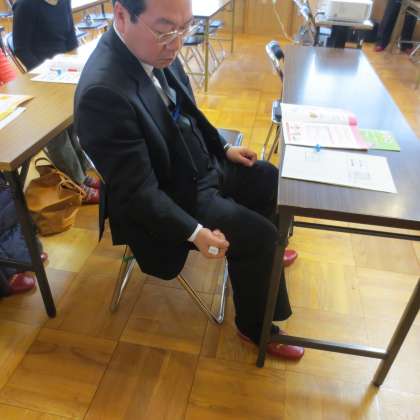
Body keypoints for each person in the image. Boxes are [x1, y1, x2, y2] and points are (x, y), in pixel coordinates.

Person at [75, 0, 304, 360]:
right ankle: (255, 325)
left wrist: (223, 147)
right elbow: (138, 193)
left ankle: (264, 264)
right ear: (121, 15)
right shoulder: (102, 93)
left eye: (185, 28)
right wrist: (195, 233)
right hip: (171, 194)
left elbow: (190, 112)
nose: (178, 42)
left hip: (196, 163)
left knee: (267, 178)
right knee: (258, 235)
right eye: (166, 30)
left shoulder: (156, 46)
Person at [12, 0, 99, 203]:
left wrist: (76, 63)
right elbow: (21, 48)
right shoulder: (26, 5)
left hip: (65, 72)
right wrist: (47, 71)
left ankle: (81, 173)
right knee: (58, 136)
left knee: (71, 125)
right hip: (42, 77)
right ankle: (76, 184)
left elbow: (70, 37)